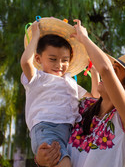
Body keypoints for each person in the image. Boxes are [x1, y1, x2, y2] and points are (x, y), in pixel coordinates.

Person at [36, 19, 125, 167]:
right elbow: (54, 133)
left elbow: (105, 70)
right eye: (111, 68)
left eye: (116, 72)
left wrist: (84, 39)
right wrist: (41, 159)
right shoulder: (83, 107)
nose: (106, 74)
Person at [20, 17, 99, 167]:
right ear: (38, 58)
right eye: (53, 59)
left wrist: (94, 73)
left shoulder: (70, 83)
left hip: (68, 133)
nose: (59, 65)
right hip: (47, 128)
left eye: (64, 60)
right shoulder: (38, 78)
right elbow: (25, 62)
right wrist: (35, 36)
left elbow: (95, 99)